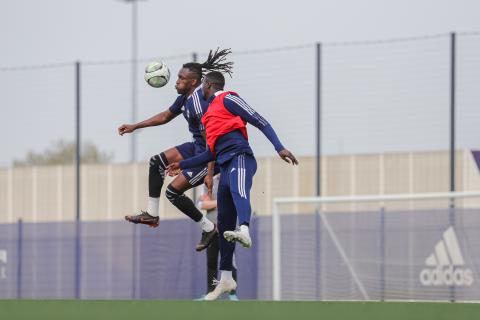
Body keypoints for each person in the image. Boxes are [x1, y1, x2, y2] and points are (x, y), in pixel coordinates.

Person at [167, 71, 298, 300]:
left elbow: (259, 120)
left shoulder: (228, 97)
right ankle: (226, 278)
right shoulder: (208, 118)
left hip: (241, 157)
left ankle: (245, 229)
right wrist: (183, 164)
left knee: (239, 192)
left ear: (208, 85)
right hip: (225, 165)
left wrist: (279, 147)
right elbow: (210, 153)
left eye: (202, 87)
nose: (200, 92)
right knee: (224, 224)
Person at [118, 49, 233, 251]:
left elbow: (211, 140)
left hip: (209, 154)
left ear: (194, 82)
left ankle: (208, 228)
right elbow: (165, 116)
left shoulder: (199, 103)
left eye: (181, 78)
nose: (176, 81)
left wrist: (209, 171)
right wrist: (135, 126)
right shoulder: (185, 97)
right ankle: (152, 214)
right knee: (157, 162)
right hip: (196, 147)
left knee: (173, 192)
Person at [195, 174, 239, 301]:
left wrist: (211, 202)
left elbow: (233, 201)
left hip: (228, 229)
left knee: (230, 261)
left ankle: (232, 294)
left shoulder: (232, 180)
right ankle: (211, 293)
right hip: (211, 229)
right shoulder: (209, 181)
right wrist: (220, 201)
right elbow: (201, 205)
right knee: (211, 262)